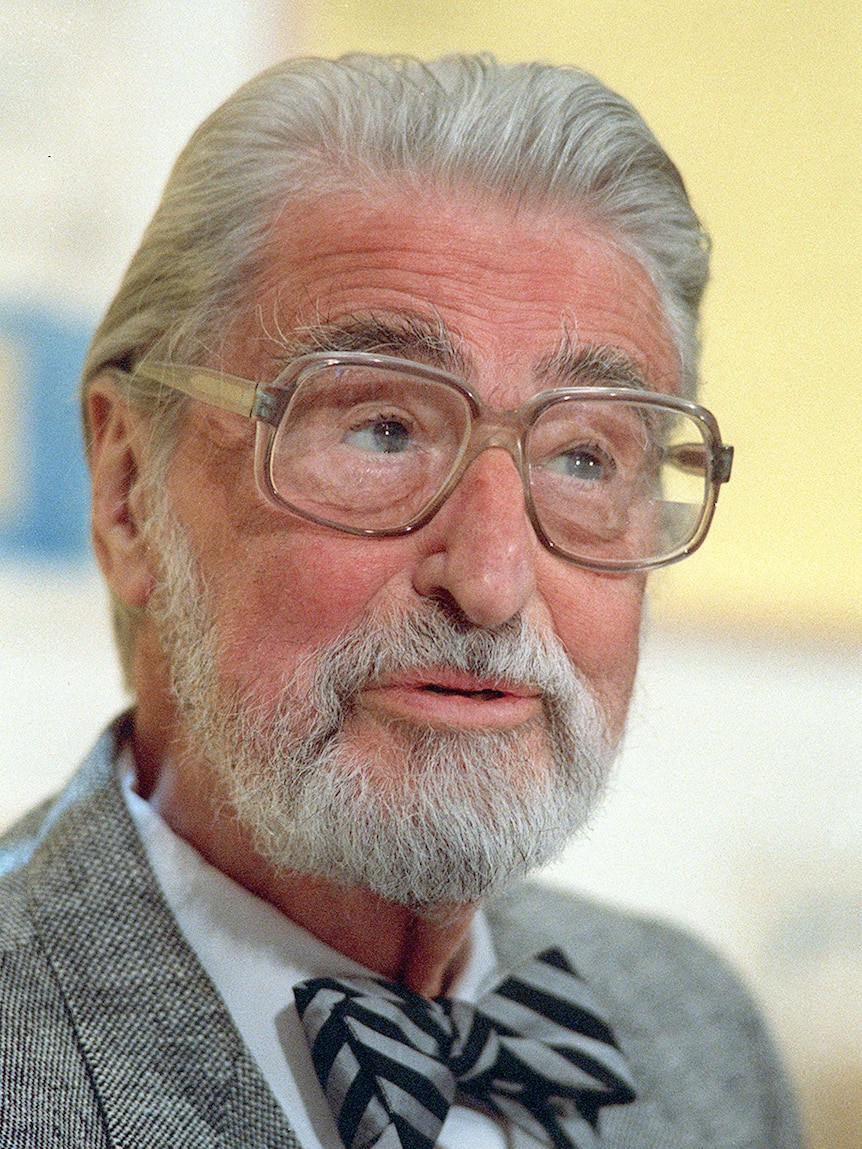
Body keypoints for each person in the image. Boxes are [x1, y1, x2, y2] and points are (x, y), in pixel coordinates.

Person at [0, 54, 801, 1148]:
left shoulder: (694, 1027)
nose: (489, 581)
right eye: (382, 429)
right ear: (129, 489)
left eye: (581, 457)